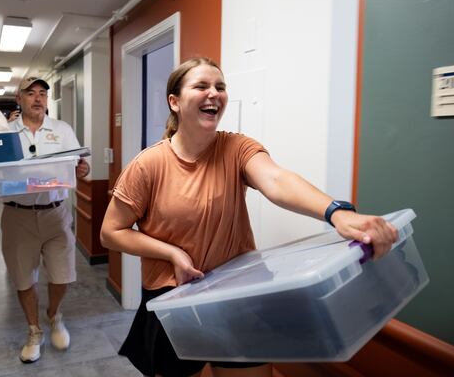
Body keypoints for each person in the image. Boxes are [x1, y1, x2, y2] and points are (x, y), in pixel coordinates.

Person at [100, 57, 398, 377]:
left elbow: (276, 180)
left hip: (236, 293)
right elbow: (111, 232)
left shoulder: (236, 147)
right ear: (174, 101)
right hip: (174, 299)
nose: (214, 93)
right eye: (201, 86)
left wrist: (334, 212)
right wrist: (172, 252)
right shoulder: (148, 164)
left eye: (220, 87)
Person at [1, 76, 90, 363]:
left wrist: (83, 169)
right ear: (19, 98)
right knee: (23, 278)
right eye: (30, 93)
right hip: (18, 216)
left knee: (62, 274)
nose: (38, 98)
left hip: (56, 213)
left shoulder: (62, 129)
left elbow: (77, 165)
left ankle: (54, 314)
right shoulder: (6, 132)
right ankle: (34, 330)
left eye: (42, 93)